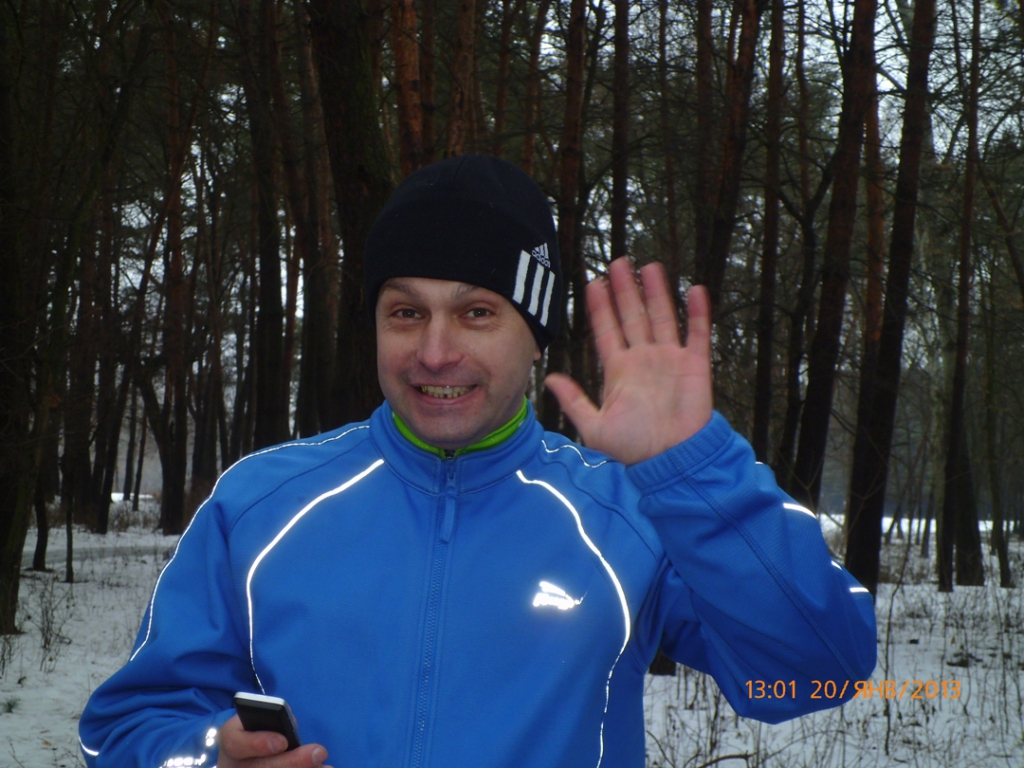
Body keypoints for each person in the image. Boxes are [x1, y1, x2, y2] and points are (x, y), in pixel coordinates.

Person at [79, 155, 876, 768]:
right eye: (405, 312)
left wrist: (694, 472)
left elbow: (819, 672)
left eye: (476, 312)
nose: (435, 351)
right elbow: (126, 727)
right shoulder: (261, 505)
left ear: (536, 335)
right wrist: (210, 756)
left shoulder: (627, 515)